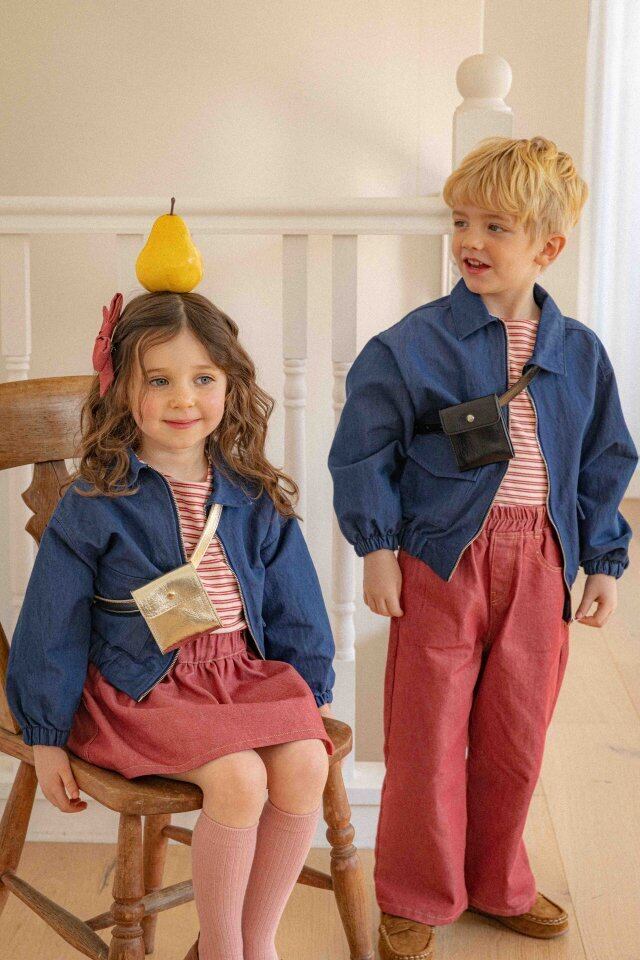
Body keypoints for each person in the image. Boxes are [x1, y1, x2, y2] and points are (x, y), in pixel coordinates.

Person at [328, 136, 637, 960]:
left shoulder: (579, 354)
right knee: (426, 736)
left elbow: (605, 461)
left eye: (496, 227)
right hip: (442, 561)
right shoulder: (410, 346)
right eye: (461, 221)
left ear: (547, 247)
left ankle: (498, 881)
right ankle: (415, 892)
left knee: (516, 734)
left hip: (541, 562)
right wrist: (378, 547)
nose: (470, 240)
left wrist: (604, 560)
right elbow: (364, 451)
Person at [7, 289, 336, 960]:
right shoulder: (96, 502)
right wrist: (45, 736)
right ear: (122, 389)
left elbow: (295, 602)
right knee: (239, 780)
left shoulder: (251, 493)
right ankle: (222, 949)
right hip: (142, 686)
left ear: (229, 384)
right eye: (159, 380)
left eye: (203, 378)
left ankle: (257, 941)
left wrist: (310, 689)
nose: (184, 399)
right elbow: (52, 623)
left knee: (307, 760)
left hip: (239, 674)